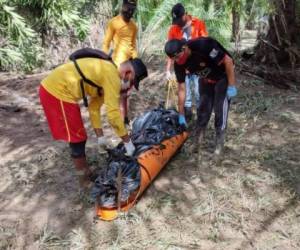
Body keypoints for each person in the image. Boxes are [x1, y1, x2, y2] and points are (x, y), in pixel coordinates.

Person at [39, 56, 148, 189]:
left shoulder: (107, 74)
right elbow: (113, 116)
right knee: (77, 138)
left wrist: (100, 136)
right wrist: (127, 142)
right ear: (128, 73)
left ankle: (87, 172)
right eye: (131, 82)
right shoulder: (112, 76)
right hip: (56, 91)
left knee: (79, 136)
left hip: (58, 90)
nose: (129, 86)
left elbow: (94, 108)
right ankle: (84, 181)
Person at [164, 38, 237, 155]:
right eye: (174, 59)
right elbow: (182, 89)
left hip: (223, 76)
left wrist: (232, 85)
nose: (177, 61)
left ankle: (219, 145)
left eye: (178, 57)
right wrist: (181, 114)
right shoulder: (179, 65)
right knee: (203, 110)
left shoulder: (203, 45)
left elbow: (228, 61)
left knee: (220, 110)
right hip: (206, 79)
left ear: (184, 48)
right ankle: (198, 143)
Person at [166, 3, 208, 122]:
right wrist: (168, 70)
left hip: (197, 65)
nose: (177, 23)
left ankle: (202, 116)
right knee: (186, 93)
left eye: (179, 20)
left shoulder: (198, 24)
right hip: (182, 66)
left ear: (185, 15)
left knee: (199, 92)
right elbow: (170, 51)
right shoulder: (173, 29)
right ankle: (186, 115)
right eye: (175, 20)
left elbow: (205, 44)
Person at [102, 0, 138, 124]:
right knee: (119, 93)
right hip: (117, 64)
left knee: (126, 94)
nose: (129, 12)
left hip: (129, 65)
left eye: (132, 10)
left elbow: (133, 46)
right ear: (123, 6)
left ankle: (125, 118)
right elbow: (106, 43)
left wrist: (136, 62)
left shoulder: (134, 26)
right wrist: (104, 60)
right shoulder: (114, 23)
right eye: (127, 9)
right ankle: (118, 121)